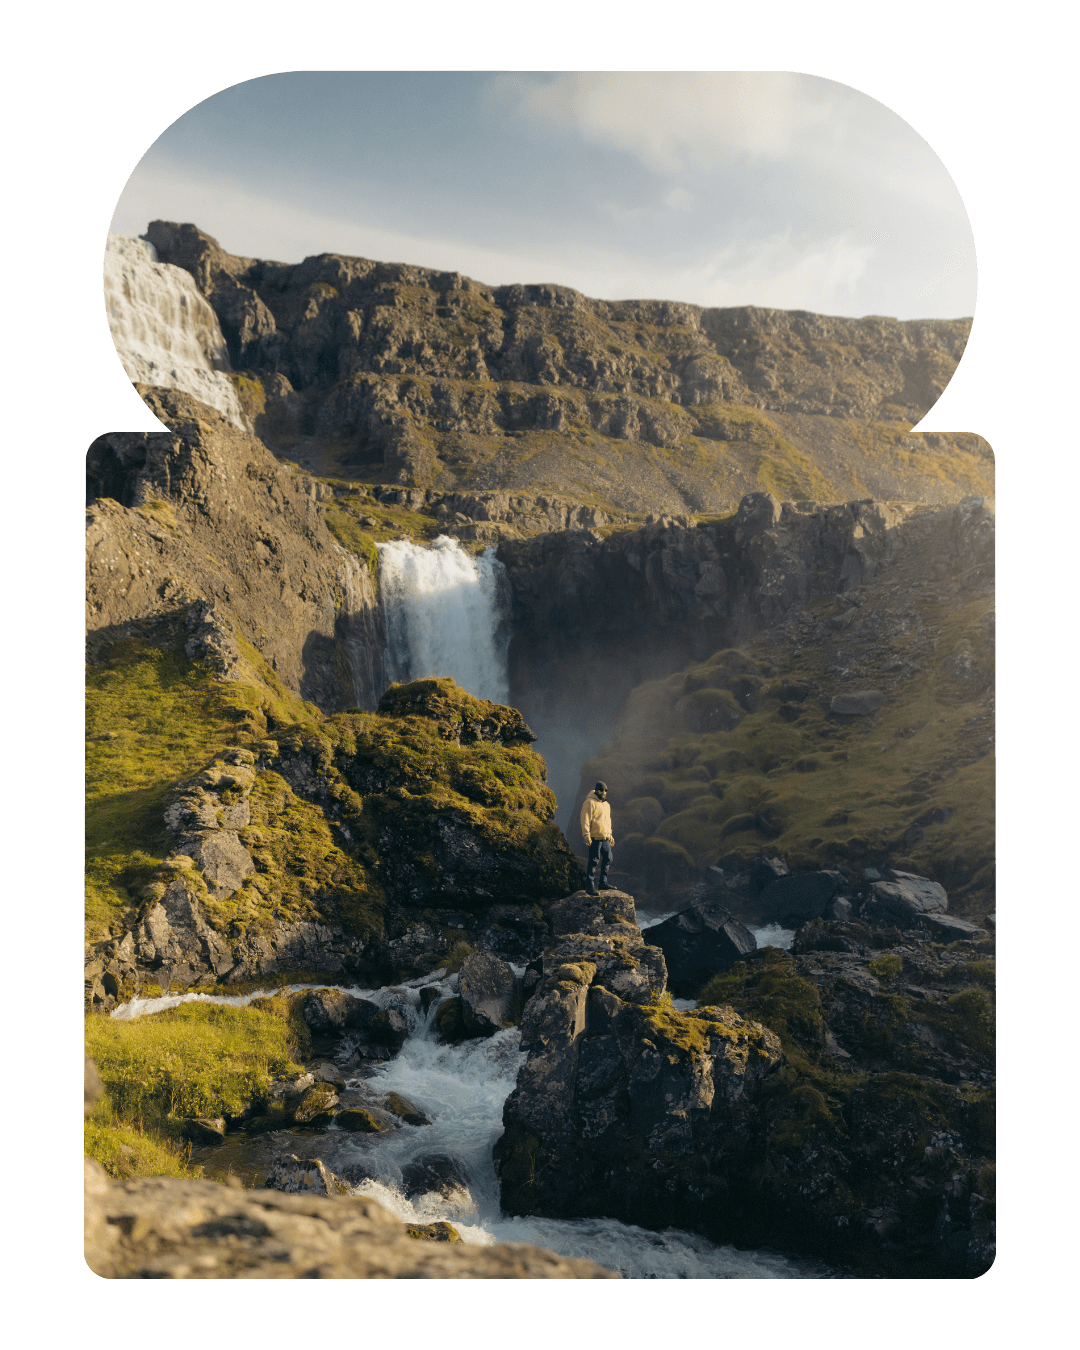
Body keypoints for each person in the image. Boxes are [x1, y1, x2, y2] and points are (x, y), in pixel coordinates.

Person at [580, 780, 614, 896]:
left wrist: (610, 835)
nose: (604, 792)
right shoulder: (589, 803)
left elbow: (608, 821)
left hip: (605, 837)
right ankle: (590, 887)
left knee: (608, 858)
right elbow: (585, 819)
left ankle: (603, 883)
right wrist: (586, 835)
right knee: (594, 861)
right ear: (596, 791)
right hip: (595, 837)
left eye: (605, 791)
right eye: (601, 790)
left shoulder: (606, 805)